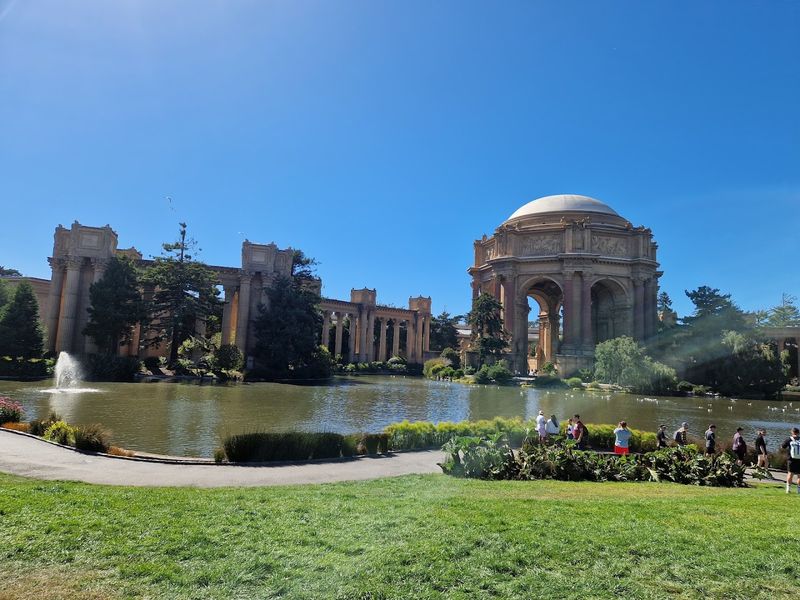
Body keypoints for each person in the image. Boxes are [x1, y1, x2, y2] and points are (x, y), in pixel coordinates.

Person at [781, 427, 800, 494]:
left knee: (790, 474)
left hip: (791, 459)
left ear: (792, 432)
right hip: (799, 460)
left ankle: (788, 489)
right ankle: (799, 490)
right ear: (798, 432)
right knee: (799, 475)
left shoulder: (789, 439)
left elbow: (782, 447)